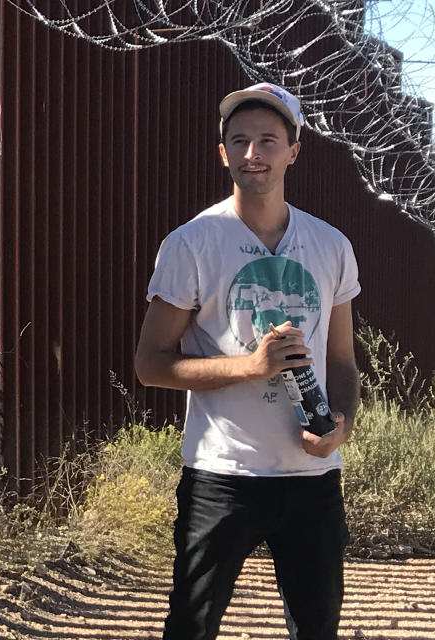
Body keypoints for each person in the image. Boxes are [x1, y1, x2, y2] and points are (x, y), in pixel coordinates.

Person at [134, 82, 361, 640]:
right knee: (190, 627)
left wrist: (342, 427)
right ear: (223, 153)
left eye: (267, 140)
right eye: (239, 141)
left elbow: (342, 363)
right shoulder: (192, 243)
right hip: (223, 474)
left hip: (312, 478)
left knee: (317, 629)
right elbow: (150, 364)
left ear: (294, 150)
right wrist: (249, 367)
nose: (253, 153)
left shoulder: (331, 245)